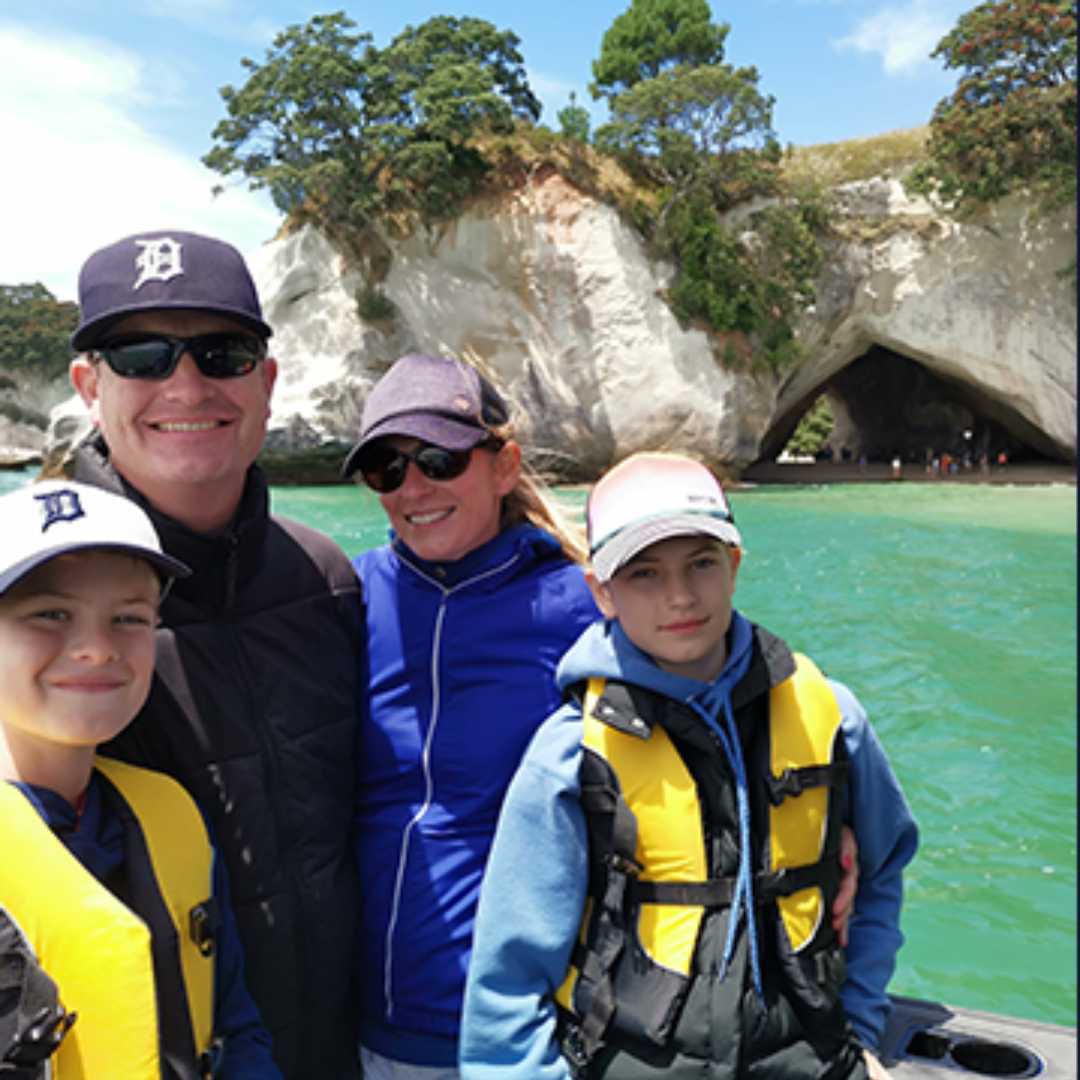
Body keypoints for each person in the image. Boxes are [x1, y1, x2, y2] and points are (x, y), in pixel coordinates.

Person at [460, 451, 920, 1080]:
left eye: (701, 563)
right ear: (601, 592)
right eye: (644, 574)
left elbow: (883, 868)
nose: (679, 596)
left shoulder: (834, 718)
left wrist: (860, 1022)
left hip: (811, 1058)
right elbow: (508, 974)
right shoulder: (570, 754)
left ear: (734, 564)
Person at [65, 230, 364, 1078]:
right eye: (142, 355)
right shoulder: (26, 612)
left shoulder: (328, 581)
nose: (185, 384)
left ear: (266, 383)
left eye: (222, 353)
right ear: (91, 386)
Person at [340, 353, 602, 1078]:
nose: (413, 487)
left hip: (519, 1036)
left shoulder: (584, 603)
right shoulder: (346, 596)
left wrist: (842, 822)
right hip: (355, 1026)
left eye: (438, 459)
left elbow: (728, 684)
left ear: (504, 465)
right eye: (386, 470)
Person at [0, 479, 281, 1078]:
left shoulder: (169, 815)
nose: (97, 649)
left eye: (128, 618)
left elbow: (234, 1026)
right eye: (50, 614)